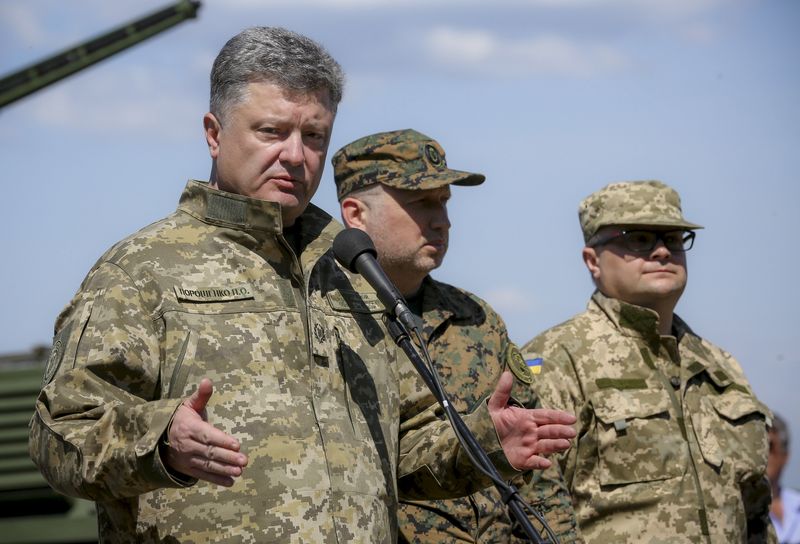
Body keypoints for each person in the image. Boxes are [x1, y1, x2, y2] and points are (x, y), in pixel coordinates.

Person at [28, 27, 577, 544]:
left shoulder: (352, 270)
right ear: (214, 134)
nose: (295, 154)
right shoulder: (141, 270)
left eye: (314, 135)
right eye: (271, 131)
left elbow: (400, 452)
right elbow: (59, 435)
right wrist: (160, 439)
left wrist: (482, 443)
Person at [332, 128, 581, 543]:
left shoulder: (476, 318)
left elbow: (536, 468)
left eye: (445, 202)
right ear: (356, 214)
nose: (441, 221)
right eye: (421, 203)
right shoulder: (324, 319)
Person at [521, 180, 776, 543]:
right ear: (592, 260)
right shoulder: (556, 360)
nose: (661, 252)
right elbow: (532, 507)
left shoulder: (721, 366)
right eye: (638, 239)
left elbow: (756, 512)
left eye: (673, 239)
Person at [768, 413, 800, 543]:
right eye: (757, 447)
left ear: (785, 456)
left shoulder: (797, 505)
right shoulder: (737, 511)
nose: (763, 455)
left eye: (770, 447)